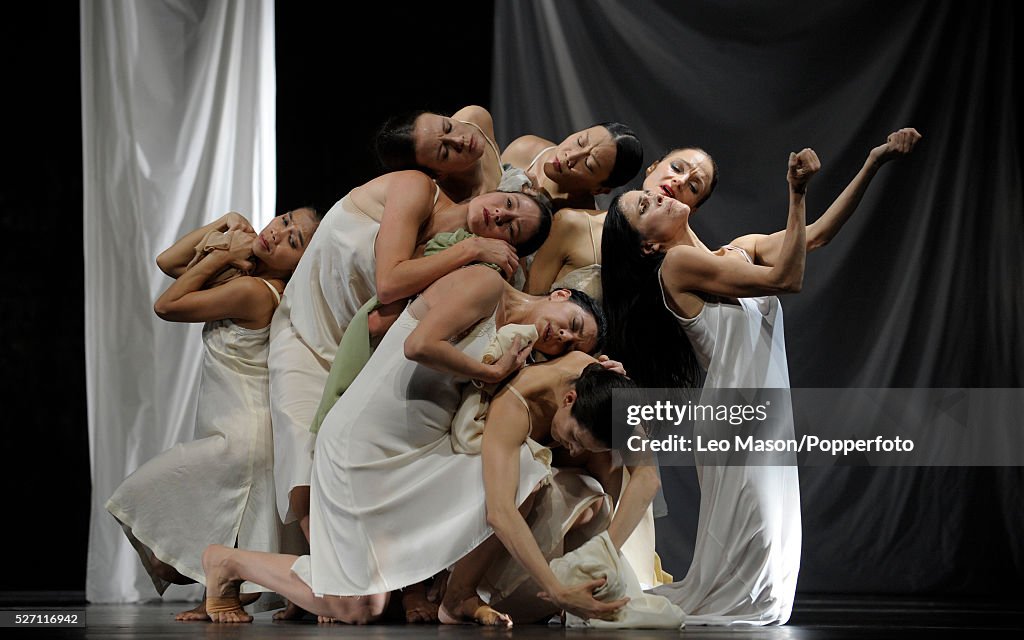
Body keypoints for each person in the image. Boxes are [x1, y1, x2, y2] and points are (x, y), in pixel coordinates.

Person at [601, 128, 921, 625]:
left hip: (762, 418)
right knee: (751, 586)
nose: (678, 184)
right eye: (662, 186)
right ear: (647, 246)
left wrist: (873, 163)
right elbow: (787, 279)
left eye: (694, 182)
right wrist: (795, 193)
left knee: (768, 580)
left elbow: (813, 237)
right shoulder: (678, 266)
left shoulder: (736, 251)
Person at [197, 265, 605, 624]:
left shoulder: (520, 346)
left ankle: (457, 595)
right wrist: (489, 370)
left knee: (527, 473)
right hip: (365, 441)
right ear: (560, 294)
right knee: (359, 607)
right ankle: (229, 561)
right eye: (573, 322)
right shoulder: (487, 285)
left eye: (572, 344)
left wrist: (594, 370)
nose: (564, 336)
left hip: (418, 454)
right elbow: (419, 346)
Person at [269, 172, 553, 548]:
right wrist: (471, 251)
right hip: (308, 328)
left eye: (512, 229)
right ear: (500, 190)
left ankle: (340, 580)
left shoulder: (476, 265)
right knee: (302, 449)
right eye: (510, 204)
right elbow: (388, 285)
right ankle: (325, 577)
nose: (501, 216)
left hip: (366, 346)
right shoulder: (422, 194)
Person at [105, 208, 321, 620]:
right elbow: (167, 263)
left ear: (299, 264)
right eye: (285, 219)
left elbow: (167, 305)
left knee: (140, 498)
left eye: (293, 241)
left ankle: (230, 593)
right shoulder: (248, 274)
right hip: (229, 424)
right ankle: (221, 597)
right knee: (225, 525)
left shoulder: (256, 291)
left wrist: (221, 256)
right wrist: (225, 222)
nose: (278, 232)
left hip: (244, 434)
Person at [439, 355, 663, 626]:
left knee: (605, 476)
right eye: (575, 438)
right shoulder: (515, 405)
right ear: (569, 399)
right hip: (474, 461)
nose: (575, 450)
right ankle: (458, 593)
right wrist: (557, 592)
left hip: (544, 466)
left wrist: (605, 553)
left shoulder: (606, 393)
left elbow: (647, 476)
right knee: (527, 486)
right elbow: (500, 513)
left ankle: (572, 580)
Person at [502, 122, 644, 211]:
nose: (570, 156)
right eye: (580, 141)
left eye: (589, 164)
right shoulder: (526, 149)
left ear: (600, 189)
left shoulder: (580, 222)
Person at [375, 105, 504, 202]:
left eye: (448, 127)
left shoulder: (476, 118)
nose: (459, 140)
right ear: (437, 174)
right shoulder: (451, 208)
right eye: (445, 152)